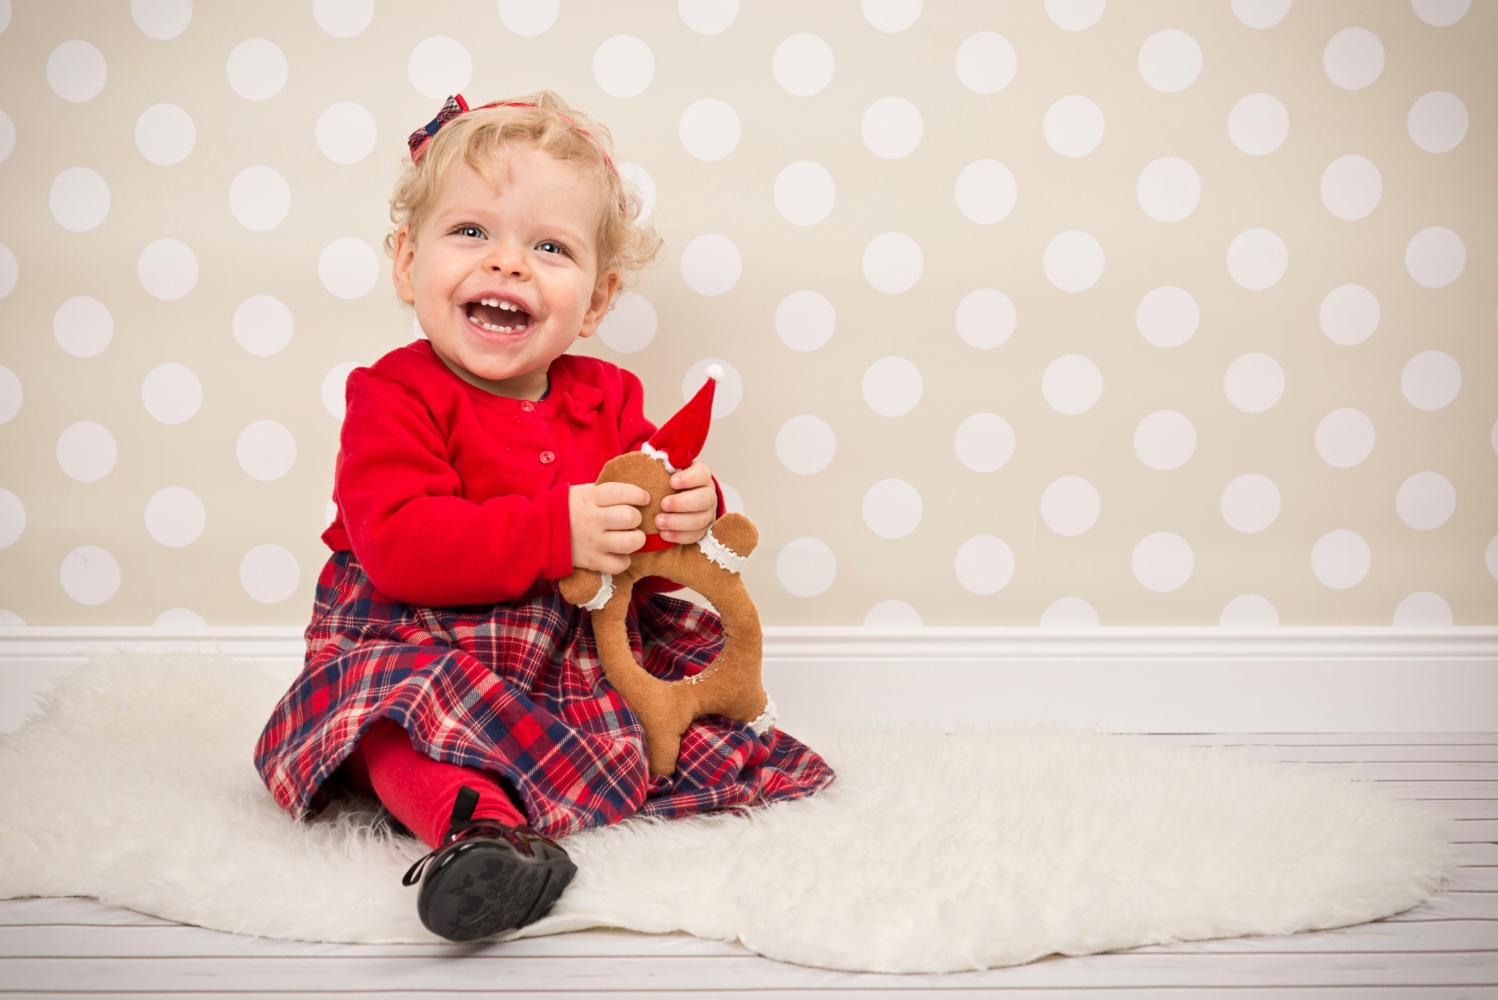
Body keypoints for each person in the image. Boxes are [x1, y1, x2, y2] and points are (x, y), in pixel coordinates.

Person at [253, 92, 833, 942]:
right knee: (393, 721)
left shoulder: (609, 398)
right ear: (408, 263)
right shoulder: (393, 395)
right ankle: (482, 836)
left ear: (594, 302)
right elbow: (400, 545)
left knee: (668, 729)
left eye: (550, 247)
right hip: (415, 630)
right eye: (471, 232)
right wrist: (558, 530)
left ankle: (553, 787)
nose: (509, 264)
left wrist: (690, 511)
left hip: (561, 649)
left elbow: (642, 547)